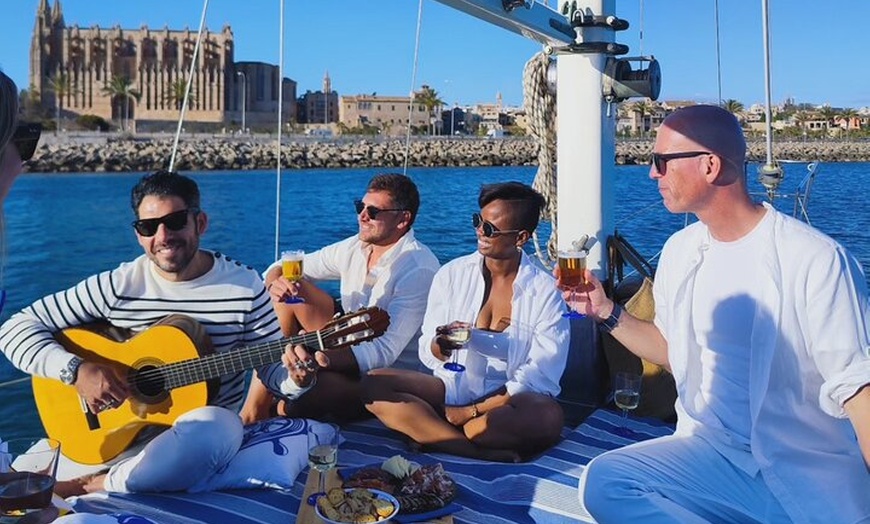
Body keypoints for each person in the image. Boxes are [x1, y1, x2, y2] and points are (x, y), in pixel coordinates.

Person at [567, 105, 870, 522]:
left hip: (802, 474)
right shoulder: (682, 251)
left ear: (709, 165)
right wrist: (605, 311)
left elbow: (861, 396)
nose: (652, 174)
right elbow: (673, 351)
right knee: (605, 482)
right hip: (710, 455)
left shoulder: (815, 260)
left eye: (660, 162)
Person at [0, 170, 326, 495]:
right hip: (115, 437)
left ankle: (94, 485)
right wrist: (77, 371)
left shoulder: (245, 287)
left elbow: (272, 369)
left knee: (219, 426)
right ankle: (130, 477)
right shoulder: (117, 286)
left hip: (192, 442)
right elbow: (13, 330)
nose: (162, 236)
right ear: (138, 234)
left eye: (175, 221)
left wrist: (297, 380)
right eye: (148, 227)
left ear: (200, 223)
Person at [361, 182, 570, 462]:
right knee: (372, 384)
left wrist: (470, 411)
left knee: (547, 416)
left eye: (490, 229)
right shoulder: (452, 274)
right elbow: (428, 350)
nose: (480, 232)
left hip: (506, 402)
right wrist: (440, 346)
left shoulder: (545, 291)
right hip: (451, 387)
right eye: (478, 221)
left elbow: (540, 378)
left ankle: (433, 432)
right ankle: (469, 447)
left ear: (520, 238)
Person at [240, 173, 440, 423]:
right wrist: (275, 284)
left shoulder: (418, 267)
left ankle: (282, 400)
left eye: (374, 211)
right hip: (343, 342)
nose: (362, 216)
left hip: (385, 379)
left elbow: (383, 352)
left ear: (403, 219)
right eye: (361, 206)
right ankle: (253, 410)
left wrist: (317, 354)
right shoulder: (355, 247)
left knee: (294, 403)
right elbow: (281, 265)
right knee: (290, 288)